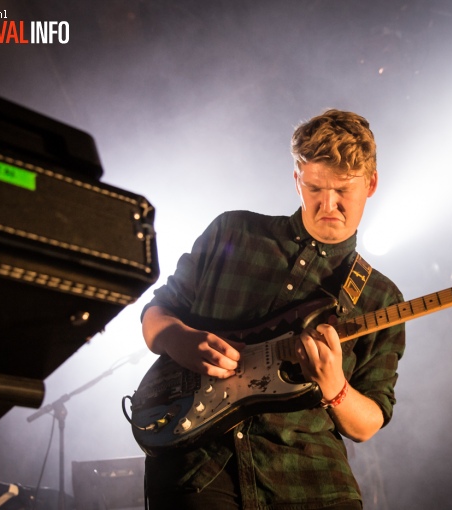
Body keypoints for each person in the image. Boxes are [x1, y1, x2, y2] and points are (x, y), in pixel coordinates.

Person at [140, 109, 405, 510]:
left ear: (371, 184)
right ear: (297, 178)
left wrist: (335, 388)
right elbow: (156, 316)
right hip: (199, 466)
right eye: (315, 188)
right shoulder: (232, 232)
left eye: (343, 191)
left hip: (309, 481)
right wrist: (182, 340)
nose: (328, 204)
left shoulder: (380, 296)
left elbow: (369, 421)